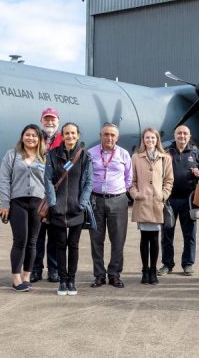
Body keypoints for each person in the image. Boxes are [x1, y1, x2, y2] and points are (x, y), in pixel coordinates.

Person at [44, 122, 92, 296]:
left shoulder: (85, 156)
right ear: (62, 136)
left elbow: (88, 182)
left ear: (77, 135)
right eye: (66, 133)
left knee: (74, 245)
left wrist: (82, 203)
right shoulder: (52, 155)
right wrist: (52, 203)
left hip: (76, 208)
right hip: (57, 209)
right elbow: (48, 179)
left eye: (73, 133)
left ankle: (71, 280)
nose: (70, 136)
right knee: (60, 245)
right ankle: (62, 281)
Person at [0, 124, 46, 292]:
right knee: (20, 240)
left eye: (34, 135)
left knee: (33, 241)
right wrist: (4, 203)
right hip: (17, 202)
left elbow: (50, 182)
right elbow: (3, 179)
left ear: (39, 139)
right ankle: (16, 278)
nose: (30, 138)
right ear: (22, 136)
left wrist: (49, 205)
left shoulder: (44, 157)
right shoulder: (12, 155)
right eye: (27, 134)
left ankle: (27, 276)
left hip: (38, 204)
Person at [88, 123, 132, 288]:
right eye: (106, 134)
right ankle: (99, 275)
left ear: (117, 137)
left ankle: (114, 274)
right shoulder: (90, 153)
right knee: (96, 240)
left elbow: (129, 177)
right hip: (95, 200)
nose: (109, 138)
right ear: (101, 135)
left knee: (118, 240)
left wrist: (120, 192)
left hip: (118, 200)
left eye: (113, 135)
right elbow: (86, 176)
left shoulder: (124, 154)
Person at [129, 128, 174, 285]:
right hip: (142, 202)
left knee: (154, 239)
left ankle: (153, 270)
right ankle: (144, 270)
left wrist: (163, 195)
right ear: (143, 139)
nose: (150, 140)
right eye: (147, 138)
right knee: (144, 238)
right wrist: (136, 194)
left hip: (156, 203)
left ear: (157, 140)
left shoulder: (165, 158)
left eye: (153, 138)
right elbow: (131, 180)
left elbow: (169, 180)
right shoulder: (136, 157)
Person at [158, 125, 199, 276]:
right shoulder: (166, 152)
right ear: (174, 135)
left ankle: (188, 264)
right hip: (169, 200)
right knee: (166, 234)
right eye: (179, 133)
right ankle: (167, 264)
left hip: (189, 201)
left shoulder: (196, 152)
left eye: (185, 133)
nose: (182, 136)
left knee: (189, 235)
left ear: (189, 136)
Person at [32, 107, 62, 283]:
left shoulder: (62, 139)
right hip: (37, 195)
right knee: (37, 236)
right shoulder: (34, 138)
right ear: (41, 121)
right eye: (46, 119)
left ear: (58, 121)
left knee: (55, 236)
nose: (49, 122)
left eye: (52, 119)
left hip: (56, 196)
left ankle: (54, 270)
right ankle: (36, 270)